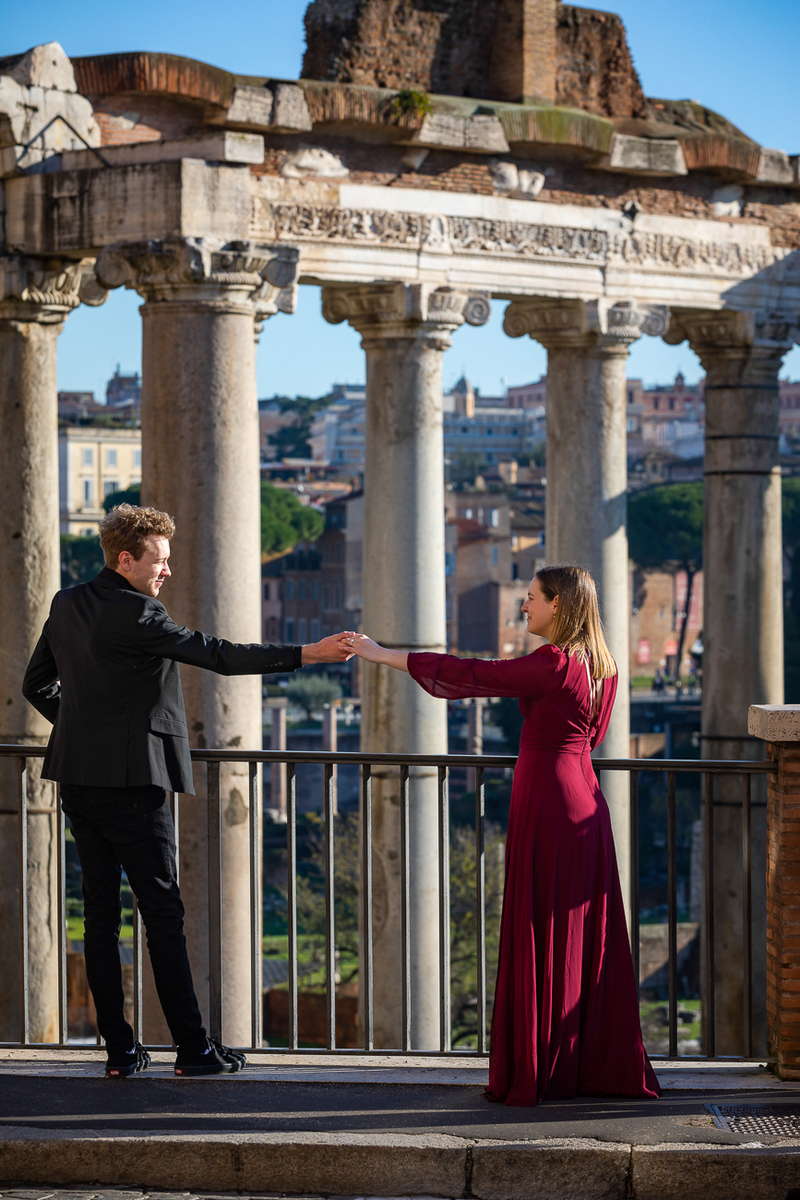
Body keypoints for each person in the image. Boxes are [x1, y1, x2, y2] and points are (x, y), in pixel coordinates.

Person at [22, 504, 353, 1079]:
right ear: (126, 560)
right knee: (163, 914)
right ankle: (193, 1050)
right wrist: (310, 654)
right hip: (134, 785)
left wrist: (84, 732)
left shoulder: (66, 603)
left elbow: (35, 685)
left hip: (78, 779)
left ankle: (121, 1052)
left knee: (99, 918)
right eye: (160, 560)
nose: (167, 571)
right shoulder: (142, 615)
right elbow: (219, 656)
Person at [344, 564, 660, 1106]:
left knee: (540, 924)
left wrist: (381, 653)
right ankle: (581, 1065)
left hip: (549, 802)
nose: (524, 605)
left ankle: (542, 1069)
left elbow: (470, 675)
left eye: (533, 598)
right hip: (585, 799)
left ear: (558, 604)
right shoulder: (603, 668)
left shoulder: (554, 663)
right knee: (581, 931)